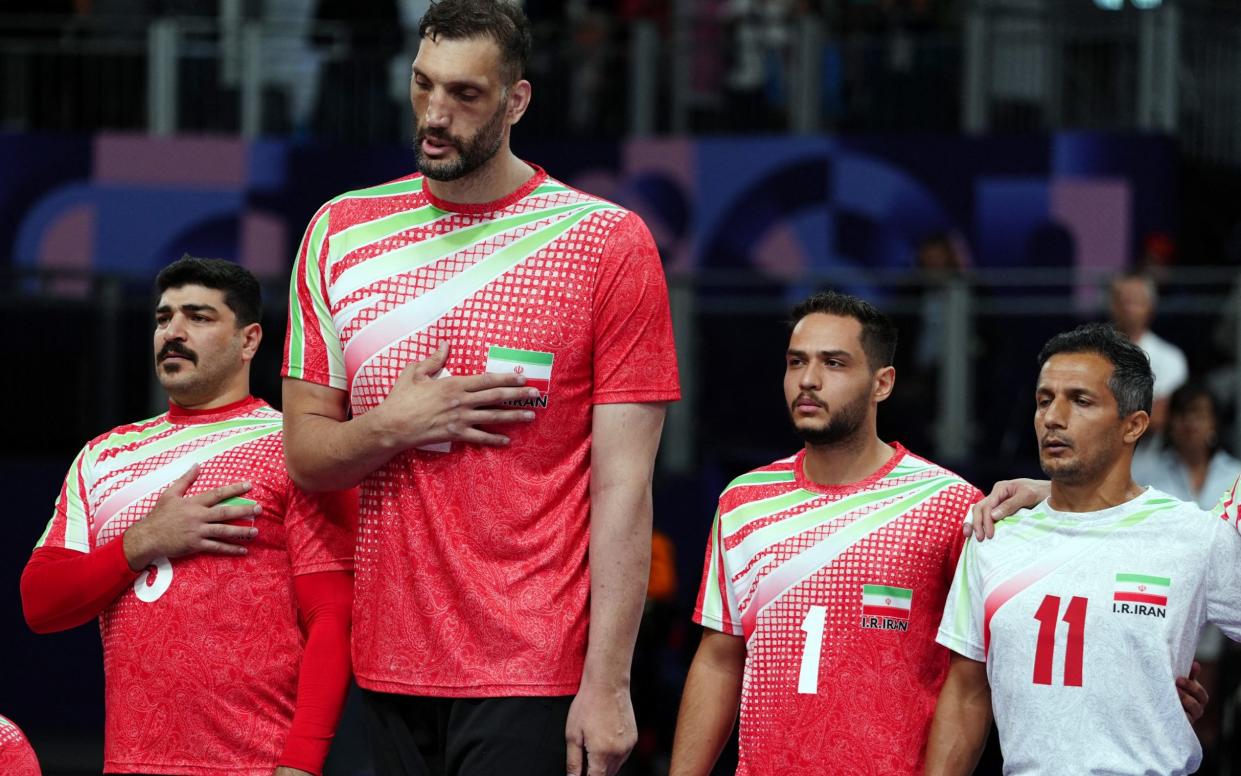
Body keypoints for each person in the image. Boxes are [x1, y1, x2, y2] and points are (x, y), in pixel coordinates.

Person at [279, 1, 680, 774]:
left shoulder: (605, 241)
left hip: (535, 662)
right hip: (388, 661)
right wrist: (394, 424)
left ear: (516, 100)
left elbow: (624, 486)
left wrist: (610, 681)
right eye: (423, 85)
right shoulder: (339, 232)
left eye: (464, 95)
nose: (435, 114)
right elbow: (307, 456)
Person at [20, 256, 356, 776]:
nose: (172, 332)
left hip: (257, 764)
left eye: (198, 317)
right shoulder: (103, 456)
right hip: (129, 764)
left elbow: (332, 617)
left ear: (249, 341)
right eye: (163, 318)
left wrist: (303, 762)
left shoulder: (294, 447)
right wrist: (143, 541)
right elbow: (40, 602)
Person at [669, 291, 983, 776]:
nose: (808, 381)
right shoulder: (743, 501)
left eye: (834, 363)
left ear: (882, 383)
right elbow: (718, 659)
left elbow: (971, 678)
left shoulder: (949, 504)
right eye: (797, 363)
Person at [927, 323, 1241, 775]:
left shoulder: (1194, 536)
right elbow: (966, 694)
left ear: (1133, 426)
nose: (1053, 417)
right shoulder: (994, 535)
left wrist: (1154, 704)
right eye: (1043, 400)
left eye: (1080, 400)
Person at [1133, 382, 1241, 510]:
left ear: (1214, 423)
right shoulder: (1147, 474)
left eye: (1199, 416)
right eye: (1183, 414)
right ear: (1170, 422)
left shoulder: (1236, 475)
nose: (1190, 423)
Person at [1109, 271, 1188, 433]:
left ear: (1150, 307)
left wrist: (1105, 419)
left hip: (1153, 456)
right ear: (1112, 305)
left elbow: (1160, 415)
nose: (1126, 307)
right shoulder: (1093, 353)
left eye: (1134, 301)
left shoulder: (1171, 357)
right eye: (1121, 300)